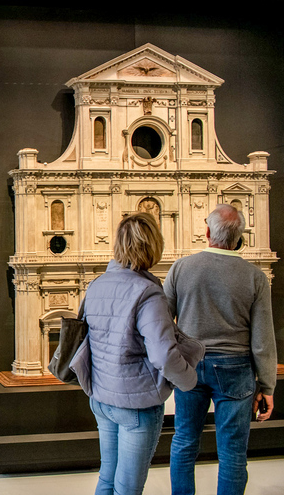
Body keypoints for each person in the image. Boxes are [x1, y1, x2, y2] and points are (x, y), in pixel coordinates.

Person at [80, 212, 203, 495]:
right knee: (128, 488)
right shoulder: (147, 293)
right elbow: (163, 354)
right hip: (136, 404)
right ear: (153, 246)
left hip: (101, 397)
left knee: (107, 478)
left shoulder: (97, 284)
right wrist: (189, 380)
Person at [165, 204, 276, 495]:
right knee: (233, 451)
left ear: (207, 232)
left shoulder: (181, 268)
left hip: (190, 365)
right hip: (236, 368)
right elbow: (262, 338)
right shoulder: (255, 277)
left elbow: (163, 322)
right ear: (239, 238)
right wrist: (267, 385)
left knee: (185, 442)